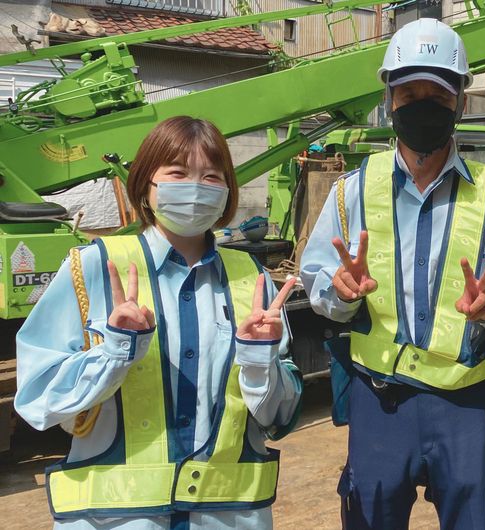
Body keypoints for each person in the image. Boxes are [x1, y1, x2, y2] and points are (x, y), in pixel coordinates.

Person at [15, 116, 303, 529]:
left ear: (227, 191)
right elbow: (37, 398)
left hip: (228, 516)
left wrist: (260, 364)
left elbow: (279, 418)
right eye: (178, 173)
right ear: (146, 186)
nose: (196, 187)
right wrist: (114, 353)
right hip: (115, 519)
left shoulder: (250, 278)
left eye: (211, 176)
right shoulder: (95, 267)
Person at [300, 18, 485, 530]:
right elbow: (317, 280)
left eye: (438, 95)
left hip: (468, 403)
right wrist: (342, 295)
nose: (423, 105)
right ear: (389, 100)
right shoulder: (351, 191)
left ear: (460, 103)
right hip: (379, 400)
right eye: (409, 94)